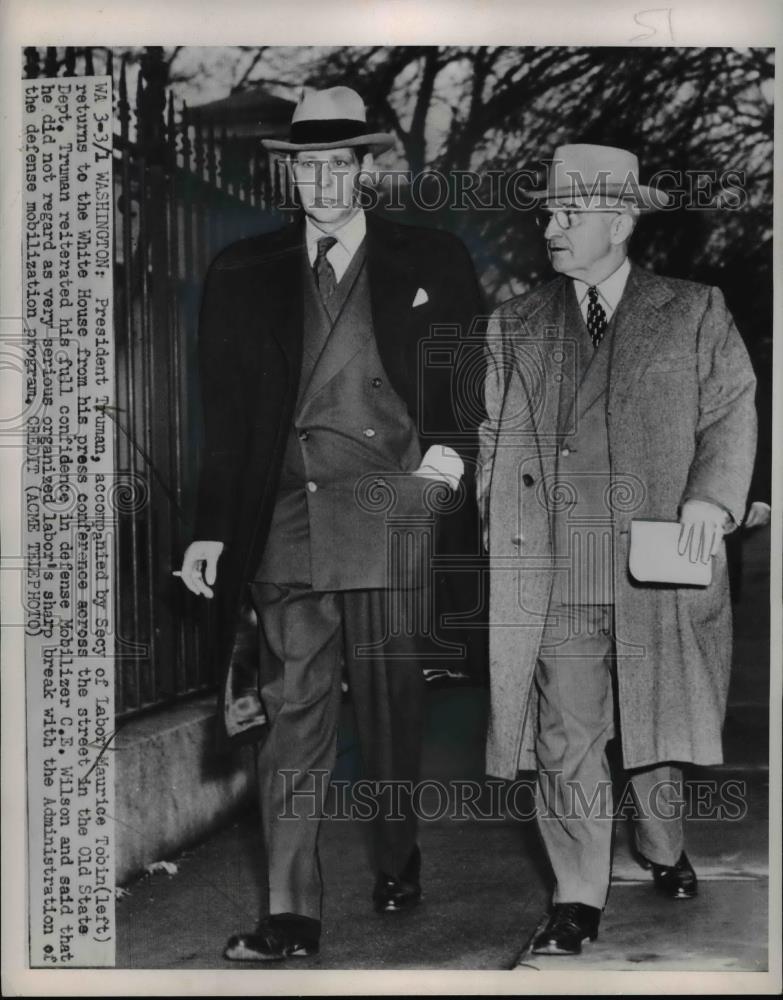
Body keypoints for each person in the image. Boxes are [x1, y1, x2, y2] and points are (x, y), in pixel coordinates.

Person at [179, 85, 482, 961]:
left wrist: (447, 457)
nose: (319, 180)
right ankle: (291, 913)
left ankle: (395, 854)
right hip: (288, 517)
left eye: (334, 163)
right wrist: (209, 529)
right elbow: (221, 415)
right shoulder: (243, 271)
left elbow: (463, 373)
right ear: (290, 173)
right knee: (293, 715)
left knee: (388, 714)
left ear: (363, 167)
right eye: (303, 165)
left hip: (389, 513)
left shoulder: (431, 256)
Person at [477, 144, 757, 956]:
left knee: (652, 726)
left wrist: (712, 495)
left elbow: (730, 411)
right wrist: (502, 534)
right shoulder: (515, 323)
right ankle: (575, 896)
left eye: (568, 213)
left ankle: (662, 843)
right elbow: (494, 441)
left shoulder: (693, 309)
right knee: (566, 734)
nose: (550, 227)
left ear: (620, 218)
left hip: (655, 566)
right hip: (557, 567)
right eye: (547, 213)